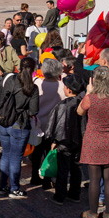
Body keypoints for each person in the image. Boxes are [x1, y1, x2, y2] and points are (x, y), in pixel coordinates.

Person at [77, 66, 109, 218]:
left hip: (93, 140)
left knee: (94, 179)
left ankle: (92, 213)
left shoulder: (91, 98)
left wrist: (89, 92)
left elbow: (79, 111)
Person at [0, 57, 40, 198]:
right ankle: (14, 188)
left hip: (4, 123)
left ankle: (2, 186)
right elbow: (34, 111)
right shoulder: (32, 88)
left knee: (6, 155)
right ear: (33, 70)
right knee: (15, 158)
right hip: (19, 125)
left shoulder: (11, 80)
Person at [43, 75, 85, 204]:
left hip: (64, 142)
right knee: (76, 168)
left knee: (63, 169)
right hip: (79, 142)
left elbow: (58, 124)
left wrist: (54, 140)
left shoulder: (63, 105)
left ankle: (60, 196)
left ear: (69, 89)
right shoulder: (83, 103)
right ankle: (74, 194)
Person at [28, 58, 64, 188]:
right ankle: (47, 179)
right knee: (50, 152)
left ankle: (34, 176)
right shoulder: (62, 86)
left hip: (38, 123)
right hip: (54, 124)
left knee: (37, 151)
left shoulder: (36, 83)